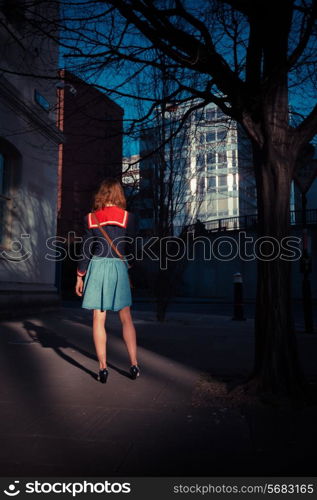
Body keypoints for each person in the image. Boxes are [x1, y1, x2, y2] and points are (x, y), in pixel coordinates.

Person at [75, 178, 139, 383]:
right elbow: (133, 247)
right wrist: (130, 267)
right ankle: (134, 364)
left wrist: (80, 275)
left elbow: (86, 249)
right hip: (119, 267)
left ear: (101, 195)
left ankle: (103, 368)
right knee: (126, 318)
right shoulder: (128, 218)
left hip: (98, 267)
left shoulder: (91, 218)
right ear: (119, 195)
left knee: (98, 319)